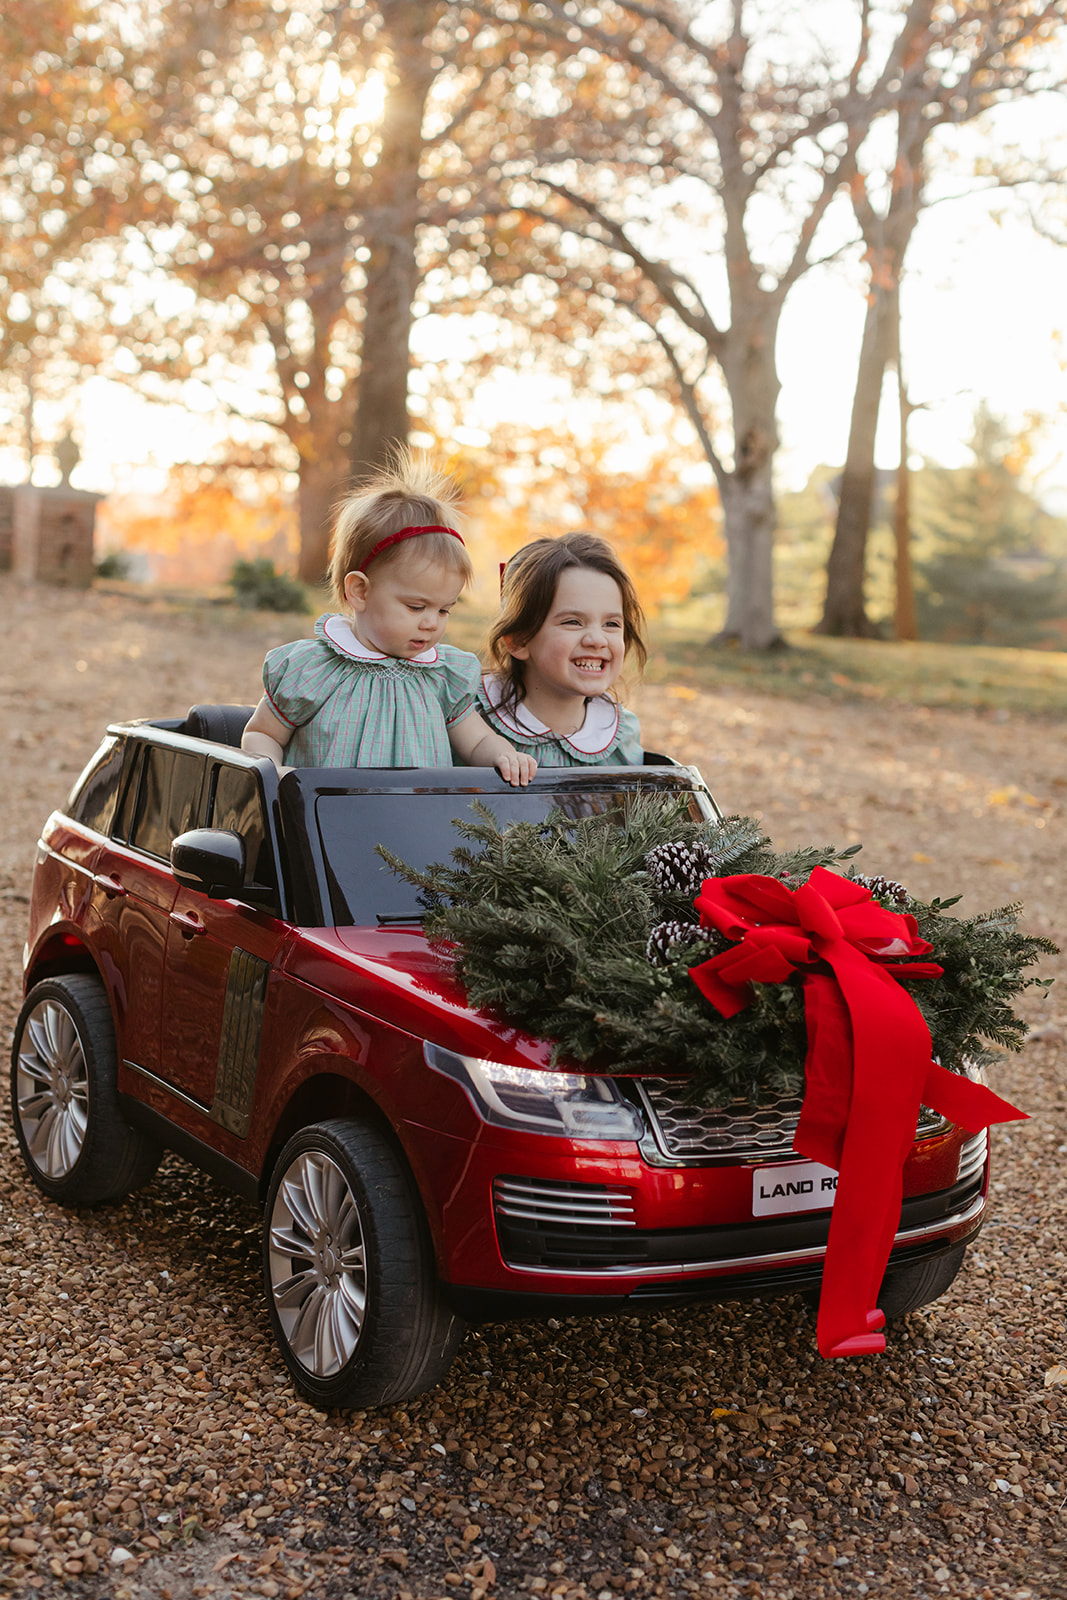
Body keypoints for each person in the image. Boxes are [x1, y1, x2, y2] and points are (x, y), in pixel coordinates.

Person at [241, 454, 536, 784]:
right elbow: (262, 734)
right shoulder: (313, 670)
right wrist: (275, 773)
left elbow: (477, 740)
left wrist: (503, 753)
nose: (431, 623)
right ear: (360, 592)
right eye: (415, 607)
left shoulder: (441, 676)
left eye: (443, 610)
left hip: (415, 825)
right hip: (323, 825)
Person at [479, 532, 646, 767]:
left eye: (611, 624)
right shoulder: (469, 721)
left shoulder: (622, 734)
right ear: (518, 640)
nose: (597, 640)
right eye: (573, 622)